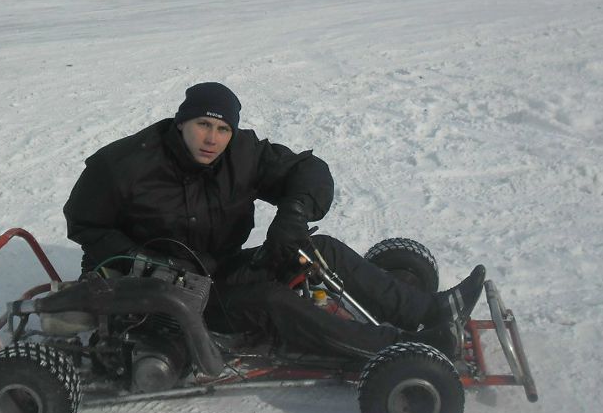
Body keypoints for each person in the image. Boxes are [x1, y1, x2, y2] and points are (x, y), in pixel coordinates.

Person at [63, 81, 486, 361]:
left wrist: (294, 213)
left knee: (319, 251)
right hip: (159, 296)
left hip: (218, 272)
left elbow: (309, 170)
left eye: (222, 129)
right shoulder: (126, 164)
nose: (212, 138)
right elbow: (85, 224)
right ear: (181, 123)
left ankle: (429, 309)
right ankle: (405, 350)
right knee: (274, 302)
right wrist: (138, 260)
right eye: (202, 125)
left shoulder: (240, 154)